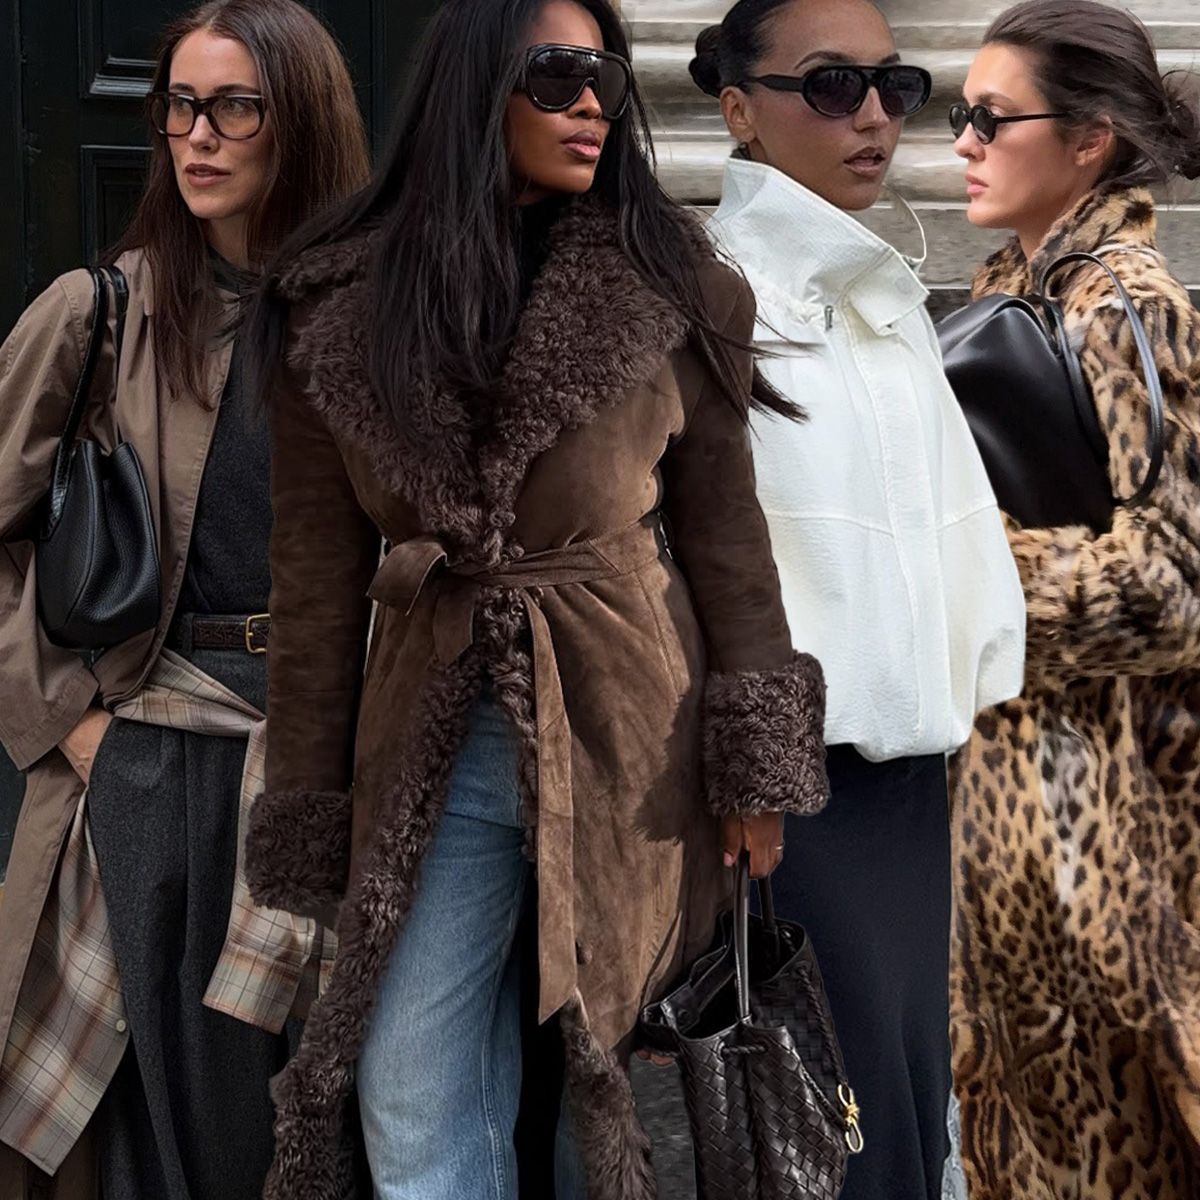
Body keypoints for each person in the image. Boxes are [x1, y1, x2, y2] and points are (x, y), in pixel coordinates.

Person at [241, 0, 831, 1197]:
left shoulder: (674, 285)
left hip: (629, 729)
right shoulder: (333, 302)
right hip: (431, 734)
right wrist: (307, 801)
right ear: (474, 85)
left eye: (608, 80)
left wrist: (756, 769)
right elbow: (313, 583)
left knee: (626, 1085)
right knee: (408, 1075)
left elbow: (727, 539)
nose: (592, 106)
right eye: (559, 75)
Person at [0, 3, 369, 1198]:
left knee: (310, 1123)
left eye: (233, 108)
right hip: (156, 746)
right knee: (159, 1136)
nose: (195, 138)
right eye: (179, 106)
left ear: (300, 120)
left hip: (327, 762)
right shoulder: (98, 314)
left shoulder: (367, 323)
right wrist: (72, 725)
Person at [690, 3, 1027, 1199]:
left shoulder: (883, 297)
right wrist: (752, 776)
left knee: (901, 1099)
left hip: (910, 785)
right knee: (826, 1126)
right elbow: (705, 570)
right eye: (832, 86)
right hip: (792, 796)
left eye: (896, 85)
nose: (875, 115)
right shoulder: (717, 296)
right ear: (737, 109)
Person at [949, 2, 1200, 1196]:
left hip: (1101, 836)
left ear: (1089, 140)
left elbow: (1169, 587)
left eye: (992, 119)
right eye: (961, 116)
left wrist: (963, 572)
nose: (960, 142)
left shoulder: (1122, 306)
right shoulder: (1028, 291)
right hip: (1031, 827)